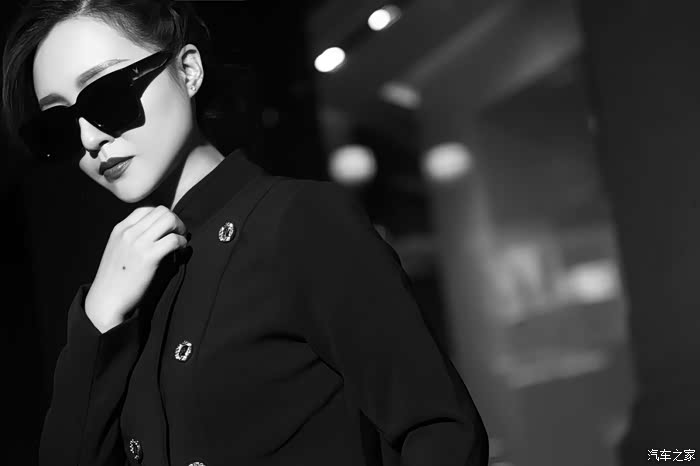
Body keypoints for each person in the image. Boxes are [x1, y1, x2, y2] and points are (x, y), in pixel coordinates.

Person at [2, 1, 489, 465]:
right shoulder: (119, 289)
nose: (89, 138)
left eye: (106, 96)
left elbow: (440, 430)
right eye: (59, 125)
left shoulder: (299, 221)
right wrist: (99, 319)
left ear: (188, 70)